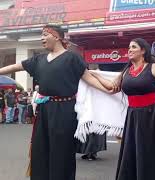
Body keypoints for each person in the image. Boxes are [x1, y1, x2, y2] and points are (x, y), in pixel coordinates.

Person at [0, 24, 113, 180]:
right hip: (44, 109)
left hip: (65, 110)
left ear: (57, 37)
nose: (42, 38)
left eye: (45, 34)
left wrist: (108, 90)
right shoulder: (38, 59)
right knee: (40, 149)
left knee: (62, 151)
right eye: (41, 35)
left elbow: (89, 78)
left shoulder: (72, 58)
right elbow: (16, 66)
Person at [92, 38, 155, 180]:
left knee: (149, 152)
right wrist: (94, 74)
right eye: (129, 47)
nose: (129, 50)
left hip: (152, 115)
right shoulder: (127, 71)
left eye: (133, 47)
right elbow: (111, 87)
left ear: (143, 50)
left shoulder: (153, 67)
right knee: (131, 152)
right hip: (132, 116)